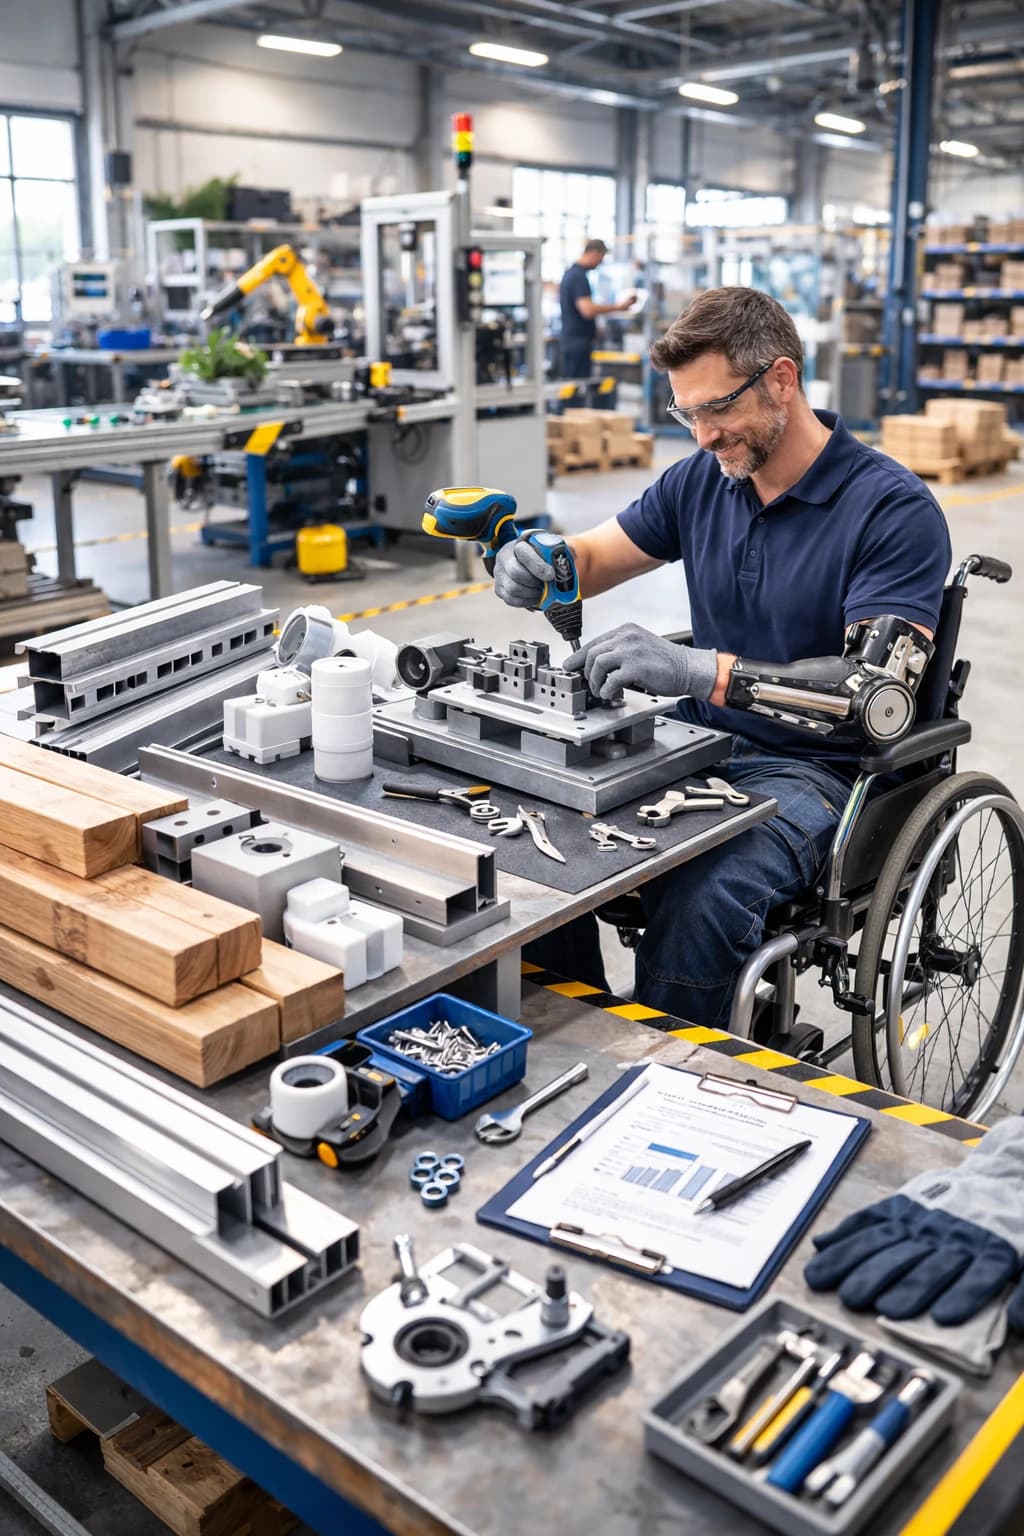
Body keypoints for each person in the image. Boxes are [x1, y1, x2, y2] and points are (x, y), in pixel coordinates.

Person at [495, 286, 952, 1028]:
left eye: (717, 408)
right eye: (688, 413)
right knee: (539, 832)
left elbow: (874, 694)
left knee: (703, 891)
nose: (702, 436)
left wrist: (700, 672)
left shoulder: (891, 511)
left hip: (827, 773)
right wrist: (542, 558)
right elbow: (593, 555)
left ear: (781, 379)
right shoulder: (702, 482)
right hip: (700, 746)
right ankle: (573, 1037)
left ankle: (671, 1077)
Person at [558, 239, 636, 380]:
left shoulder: (572, 274)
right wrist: (619, 307)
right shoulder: (577, 277)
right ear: (594, 253)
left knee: (575, 386)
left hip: (575, 341)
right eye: (601, 258)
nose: (600, 262)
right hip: (577, 344)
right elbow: (587, 310)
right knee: (576, 388)